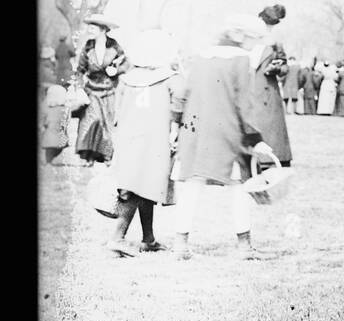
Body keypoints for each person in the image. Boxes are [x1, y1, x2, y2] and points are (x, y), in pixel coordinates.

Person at [170, 14, 276, 259]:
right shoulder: (241, 60)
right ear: (239, 36)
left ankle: (180, 245)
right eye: (254, 38)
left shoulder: (201, 56)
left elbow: (183, 94)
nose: (256, 44)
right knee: (239, 187)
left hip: (194, 132)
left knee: (191, 186)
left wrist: (175, 125)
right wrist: (255, 138)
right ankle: (244, 246)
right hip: (228, 134)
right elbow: (244, 104)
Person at [106, 29, 182, 257]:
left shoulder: (126, 79)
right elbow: (179, 106)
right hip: (155, 140)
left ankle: (148, 239)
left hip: (129, 138)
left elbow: (116, 112)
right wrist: (176, 129)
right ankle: (116, 238)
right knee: (139, 186)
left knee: (140, 184)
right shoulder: (171, 79)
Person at [74, 14, 129, 165]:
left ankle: (106, 155)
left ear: (103, 29)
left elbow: (126, 64)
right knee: (92, 122)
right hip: (91, 89)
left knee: (106, 121)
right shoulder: (88, 46)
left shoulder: (114, 46)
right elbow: (79, 70)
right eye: (90, 25)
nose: (90, 28)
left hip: (109, 90)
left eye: (94, 26)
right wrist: (79, 89)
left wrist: (116, 71)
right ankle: (89, 156)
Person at [249, 5, 292, 165]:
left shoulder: (274, 44)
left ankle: (271, 158)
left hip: (267, 91)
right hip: (248, 88)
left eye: (270, 25)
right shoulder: (247, 41)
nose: (266, 28)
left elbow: (285, 67)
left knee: (269, 129)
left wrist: (277, 68)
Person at [41, 48, 69, 164]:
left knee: (49, 149)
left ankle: (48, 161)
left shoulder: (47, 66)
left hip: (48, 137)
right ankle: (50, 160)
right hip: (60, 138)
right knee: (58, 146)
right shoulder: (48, 67)